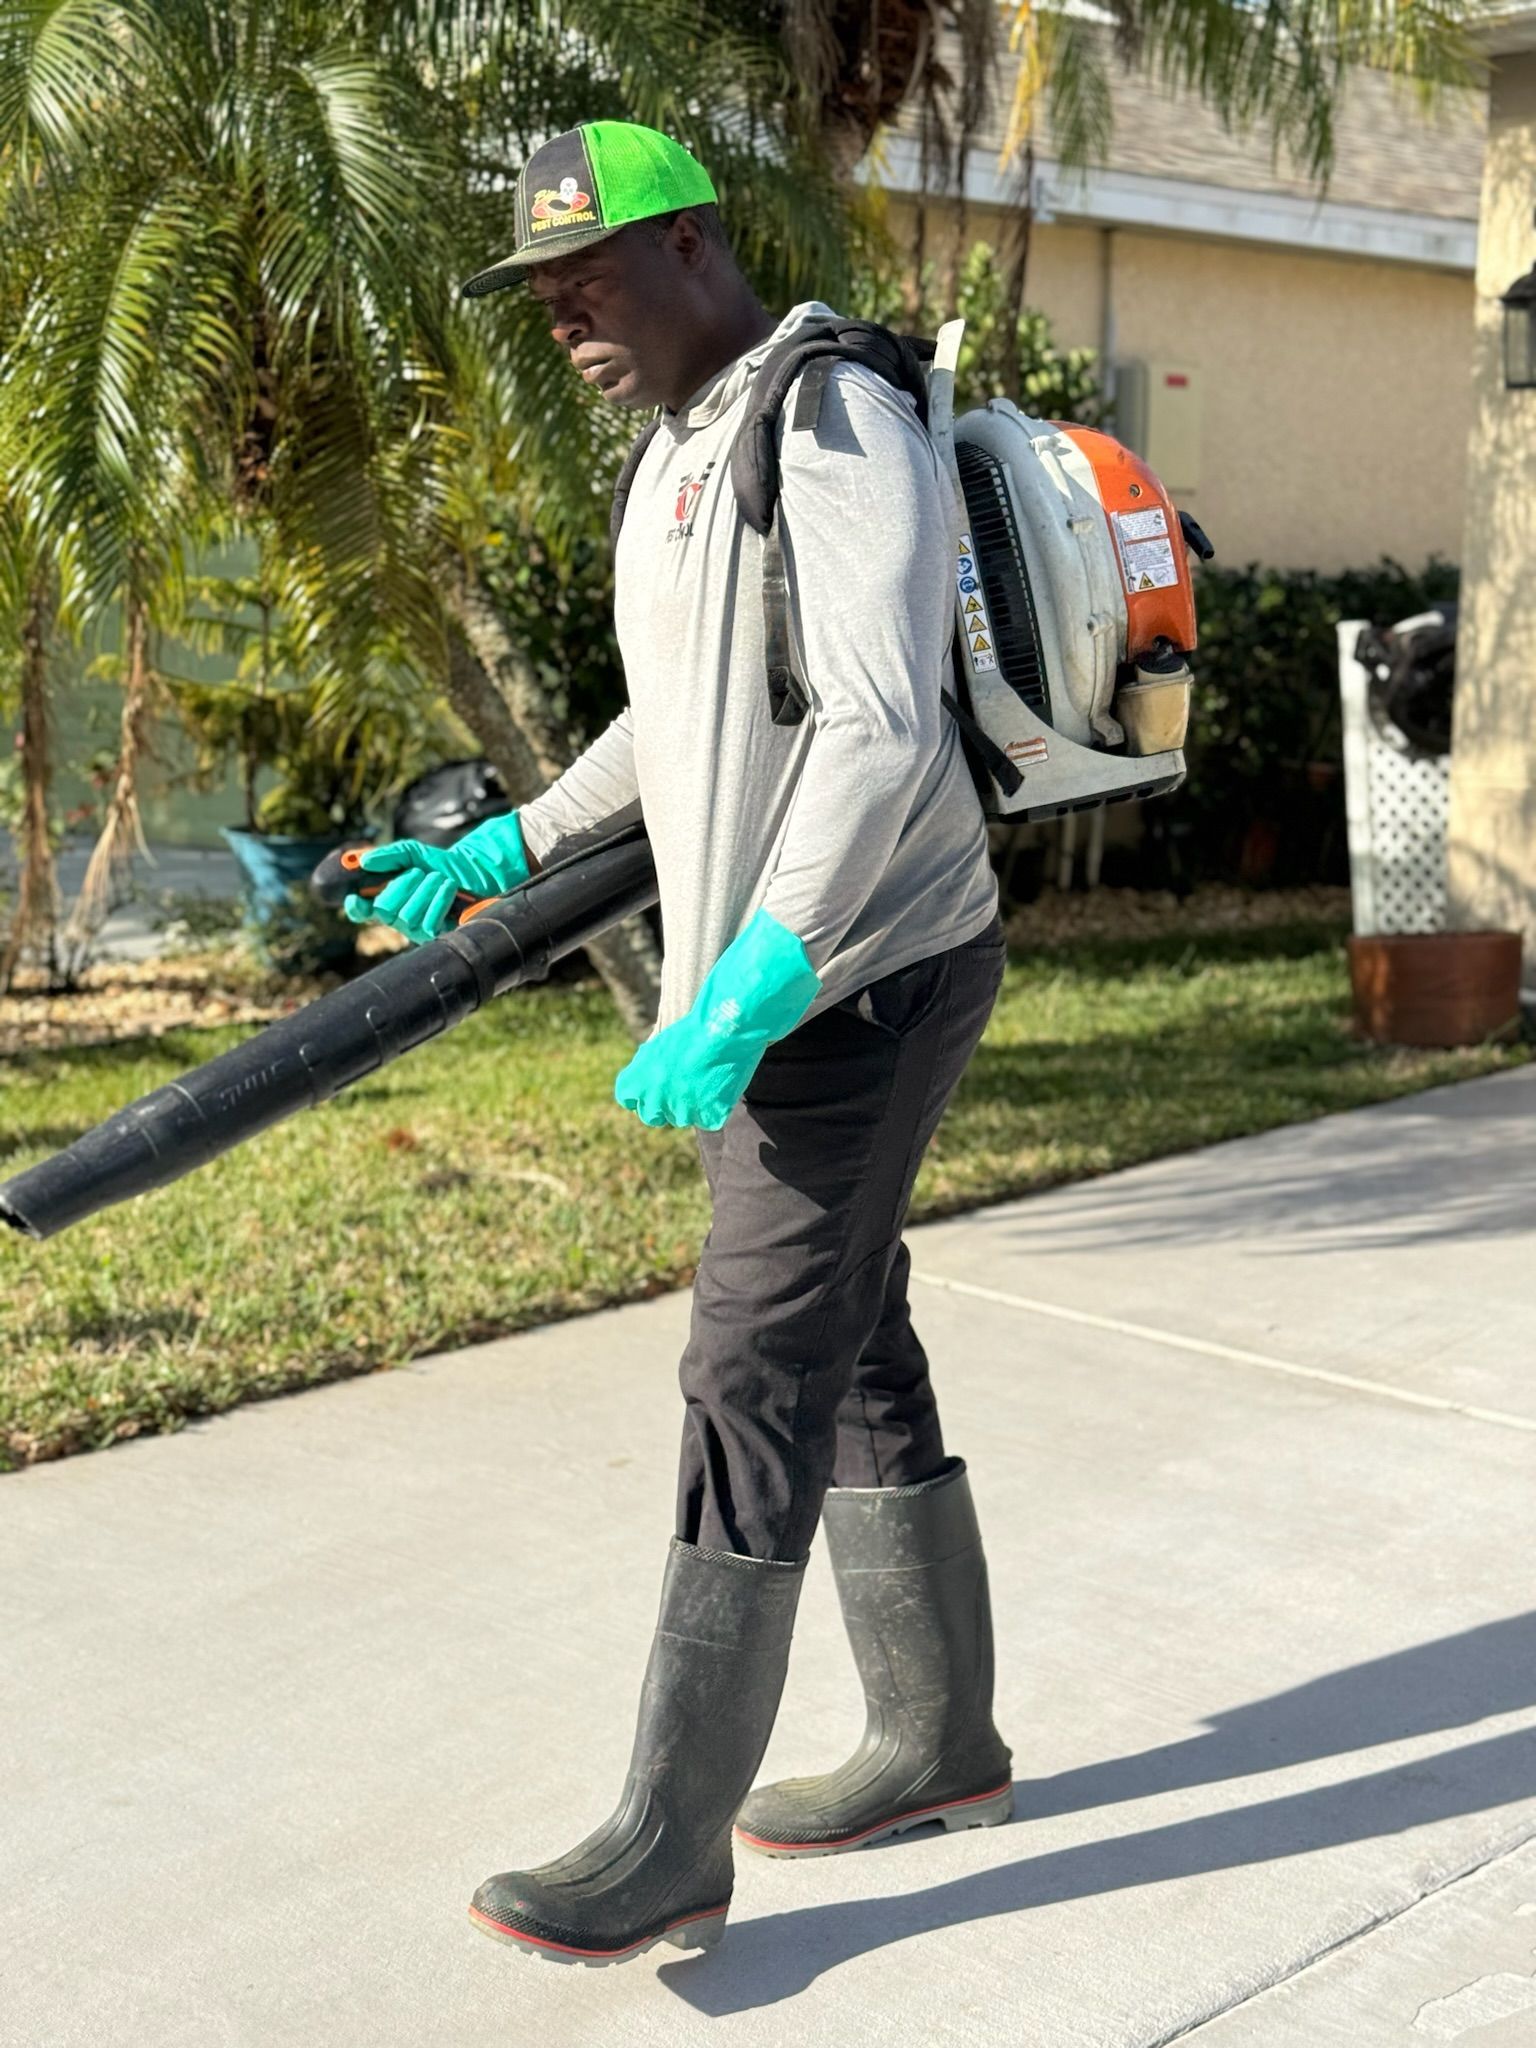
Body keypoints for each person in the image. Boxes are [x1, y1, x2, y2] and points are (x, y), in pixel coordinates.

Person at [346, 118, 1014, 1967]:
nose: (562, 316)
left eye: (589, 277)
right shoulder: (676, 458)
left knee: (752, 1362)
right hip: (795, 975)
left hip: (868, 973)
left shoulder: (829, 416)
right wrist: (506, 842)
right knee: (846, 1323)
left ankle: (670, 1834)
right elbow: (677, 721)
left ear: (697, 245)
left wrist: (745, 984)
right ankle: (938, 1741)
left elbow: (881, 728)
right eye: (540, 294)